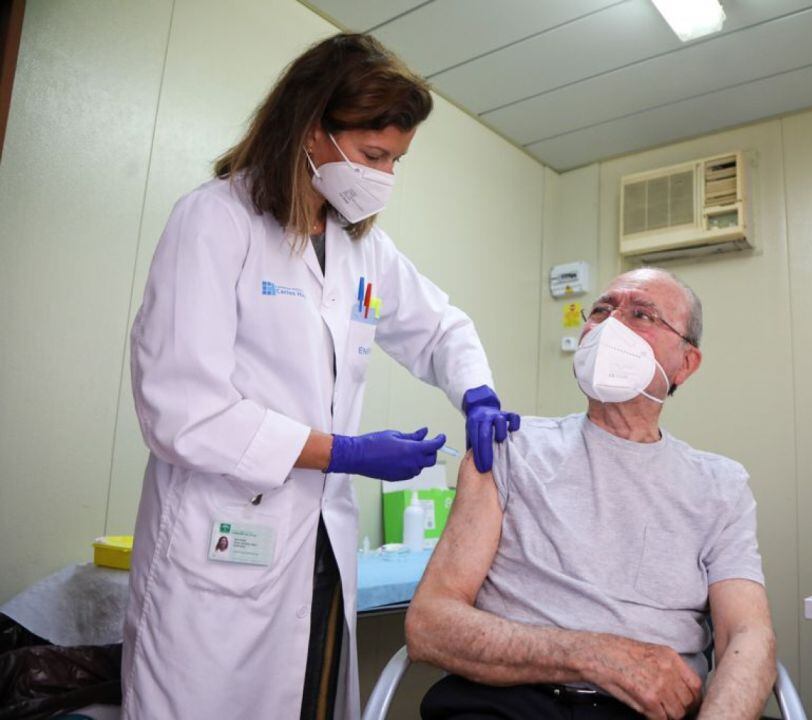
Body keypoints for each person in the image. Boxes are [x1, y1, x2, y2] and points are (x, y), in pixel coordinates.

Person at [123, 33, 518, 720]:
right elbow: (183, 411)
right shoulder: (216, 222)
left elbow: (439, 326)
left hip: (319, 550)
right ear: (312, 132)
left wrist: (475, 391)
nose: (385, 177)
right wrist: (347, 453)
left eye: (396, 161)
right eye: (373, 156)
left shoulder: (360, 248)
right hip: (220, 544)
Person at [406, 268, 776, 720]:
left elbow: (748, 636)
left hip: (649, 710)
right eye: (601, 309)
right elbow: (429, 624)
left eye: (641, 314)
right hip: (507, 704)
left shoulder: (720, 486)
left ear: (685, 363)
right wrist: (595, 655)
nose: (610, 325)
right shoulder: (508, 449)